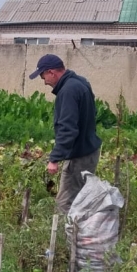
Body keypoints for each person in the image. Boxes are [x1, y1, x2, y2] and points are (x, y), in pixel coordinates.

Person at [28, 54, 102, 214]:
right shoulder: (81, 82)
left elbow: (68, 128)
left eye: (43, 77)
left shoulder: (68, 91)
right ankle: (81, 234)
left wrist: (54, 158)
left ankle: (67, 238)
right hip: (89, 151)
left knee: (65, 203)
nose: (45, 82)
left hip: (79, 157)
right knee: (81, 200)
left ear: (51, 72)